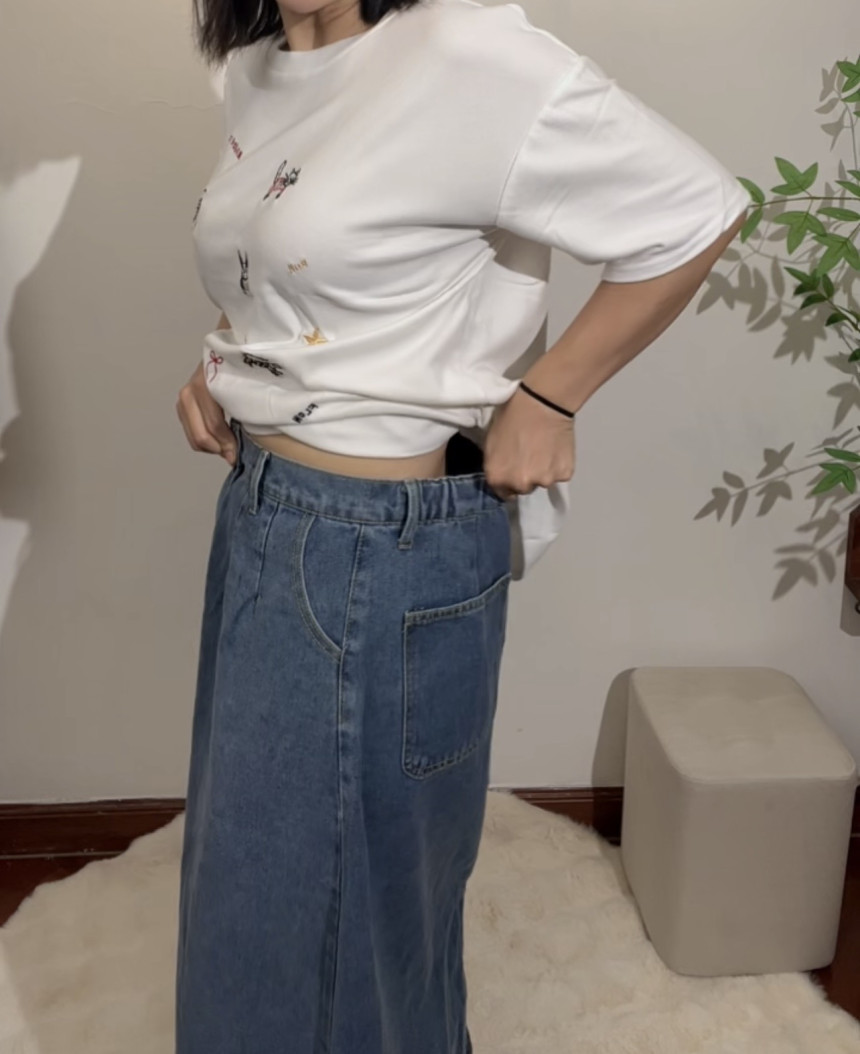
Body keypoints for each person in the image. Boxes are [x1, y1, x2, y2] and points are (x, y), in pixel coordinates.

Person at [174, 1, 749, 1051]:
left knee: (348, 930)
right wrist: (231, 362)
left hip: (374, 547)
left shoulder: (466, 50)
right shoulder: (259, 70)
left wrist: (551, 395)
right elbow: (295, 254)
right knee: (256, 903)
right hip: (260, 514)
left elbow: (695, 208)